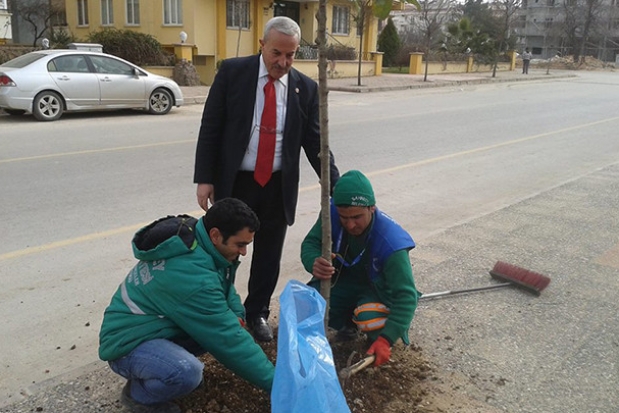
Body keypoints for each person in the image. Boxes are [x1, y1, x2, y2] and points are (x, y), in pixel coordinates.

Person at [193, 16, 340, 342]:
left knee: (268, 255)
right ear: (262, 45)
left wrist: (334, 184)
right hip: (237, 183)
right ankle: (221, 313)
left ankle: (256, 312)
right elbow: (211, 127)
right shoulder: (233, 73)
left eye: (290, 55)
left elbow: (316, 142)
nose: (283, 62)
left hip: (277, 185)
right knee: (225, 251)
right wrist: (204, 178)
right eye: (276, 53)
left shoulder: (305, 88)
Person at [98, 198, 274, 413]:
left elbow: (224, 288)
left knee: (212, 333)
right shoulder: (191, 275)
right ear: (216, 235)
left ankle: (161, 368)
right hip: (126, 344)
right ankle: (139, 396)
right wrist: (276, 384)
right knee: (186, 373)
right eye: (240, 245)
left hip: (153, 325)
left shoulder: (196, 238)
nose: (244, 252)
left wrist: (236, 315)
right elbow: (229, 341)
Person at [301, 170, 420, 367]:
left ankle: (375, 339)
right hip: (344, 281)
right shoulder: (331, 214)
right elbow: (311, 243)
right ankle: (347, 323)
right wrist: (314, 261)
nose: (350, 224)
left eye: (356, 217)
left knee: (368, 317)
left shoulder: (392, 242)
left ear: (371, 208)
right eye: (344, 218)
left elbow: (407, 297)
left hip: (376, 289)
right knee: (309, 305)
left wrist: (386, 339)